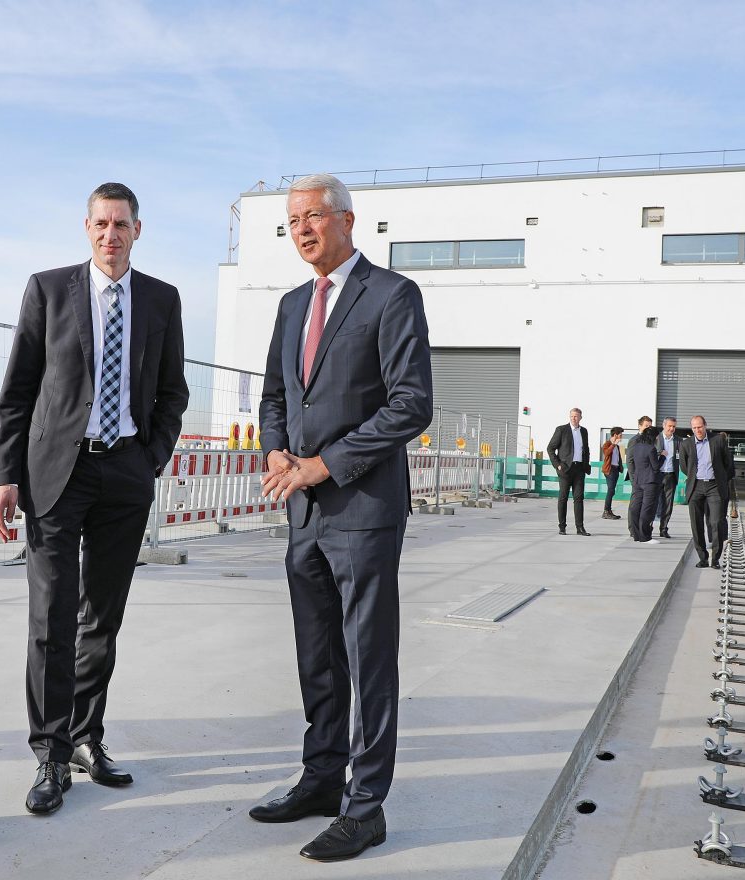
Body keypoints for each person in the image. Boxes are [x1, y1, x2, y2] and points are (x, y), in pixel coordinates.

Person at [0, 183, 188, 814]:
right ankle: (49, 755)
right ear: (86, 227)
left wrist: (150, 457)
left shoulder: (160, 300)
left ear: (138, 229)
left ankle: (85, 736)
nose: (111, 234)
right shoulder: (48, 290)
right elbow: (18, 391)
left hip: (124, 473)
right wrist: (4, 475)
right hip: (57, 473)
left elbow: (172, 392)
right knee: (51, 617)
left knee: (102, 616)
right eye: (101, 223)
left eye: (121, 224)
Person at [255, 173, 432, 862]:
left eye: (314, 217)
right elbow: (276, 393)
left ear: (348, 220)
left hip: (361, 506)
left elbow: (411, 403)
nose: (303, 229)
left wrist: (324, 464)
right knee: (317, 656)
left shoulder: (391, 296)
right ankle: (322, 777)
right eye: (292, 220)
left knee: (367, 656)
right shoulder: (293, 304)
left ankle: (367, 806)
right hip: (300, 509)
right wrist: (275, 449)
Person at [677, 415, 734, 568]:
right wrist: (694, 477)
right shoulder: (685, 444)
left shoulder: (718, 440)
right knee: (696, 524)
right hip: (695, 487)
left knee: (716, 522)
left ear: (705, 426)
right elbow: (684, 466)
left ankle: (715, 559)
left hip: (714, 486)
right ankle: (703, 558)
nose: (698, 430)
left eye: (700, 427)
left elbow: (728, 463)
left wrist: (721, 479)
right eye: (694, 428)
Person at [547, 409, 592, 536]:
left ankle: (580, 528)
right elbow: (550, 448)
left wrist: (586, 464)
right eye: (572, 416)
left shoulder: (583, 431)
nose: (574, 418)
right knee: (563, 498)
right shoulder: (561, 430)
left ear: (580, 418)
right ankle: (562, 527)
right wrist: (557, 465)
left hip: (579, 469)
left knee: (579, 498)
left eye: (576, 416)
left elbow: (586, 449)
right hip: (565, 469)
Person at [629, 425, 663, 543]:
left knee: (635, 508)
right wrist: (662, 456)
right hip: (650, 482)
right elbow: (656, 467)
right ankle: (645, 537)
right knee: (646, 509)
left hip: (638, 480)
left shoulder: (637, 447)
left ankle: (636, 535)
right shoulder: (651, 449)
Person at [624, 416, 653, 539]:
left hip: (647, 478)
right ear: (640, 426)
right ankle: (633, 529)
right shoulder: (635, 440)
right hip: (637, 479)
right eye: (646, 426)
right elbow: (630, 461)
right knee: (635, 506)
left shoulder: (649, 440)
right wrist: (633, 479)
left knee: (644, 506)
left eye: (650, 426)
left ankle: (643, 529)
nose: (648, 428)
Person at [655, 417, 679, 538]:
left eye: (674, 426)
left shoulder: (678, 441)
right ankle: (647, 527)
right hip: (657, 475)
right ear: (664, 426)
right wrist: (659, 453)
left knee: (668, 505)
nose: (672, 429)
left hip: (671, 476)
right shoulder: (656, 439)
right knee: (652, 503)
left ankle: (663, 529)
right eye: (669, 426)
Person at [600, 427, 625, 520]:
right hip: (609, 470)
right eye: (620, 435)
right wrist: (613, 444)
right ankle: (606, 511)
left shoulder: (617, 446)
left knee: (612, 490)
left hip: (615, 470)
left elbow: (618, 458)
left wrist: (620, 467)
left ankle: (608, 511)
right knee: (611, 490)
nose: (621, 437)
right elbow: (606, 453)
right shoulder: (607, 444)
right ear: (615, 435)